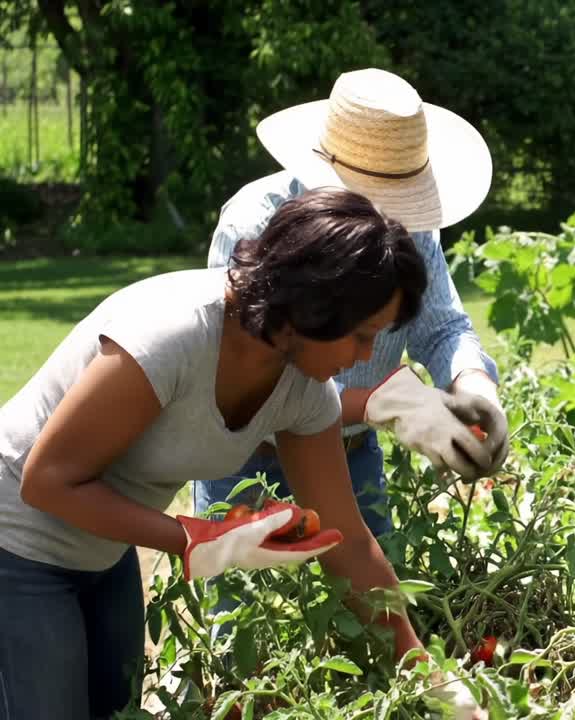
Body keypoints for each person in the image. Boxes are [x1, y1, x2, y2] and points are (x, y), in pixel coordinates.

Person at [0, 189, 482, 718]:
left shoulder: (303, 389)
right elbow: (45, 481)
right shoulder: (172, 337)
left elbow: (347, 542)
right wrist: (200, 540)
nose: (365, 357)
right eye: (361, 336)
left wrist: (426, 673)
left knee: (116, 710)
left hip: (102, 552)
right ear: (313, 309)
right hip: (16, 541)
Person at [196, 67, 508, 536]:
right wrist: (385, 403)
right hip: (250, 469)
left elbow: (443, 328)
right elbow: (239, 386)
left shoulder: (412, 227)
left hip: (351, 457)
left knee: (370, 595)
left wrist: (474, 385)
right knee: (243, 605)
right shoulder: (255, 225)